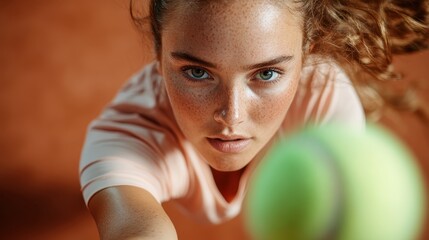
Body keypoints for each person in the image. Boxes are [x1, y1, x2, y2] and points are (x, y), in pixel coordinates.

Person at [79, 0, 428, 239]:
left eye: (267, 73)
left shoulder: (325, 95)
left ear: (307, 52)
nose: (231, 115)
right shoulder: (124, 134)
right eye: (197, 72)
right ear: (157, 53)